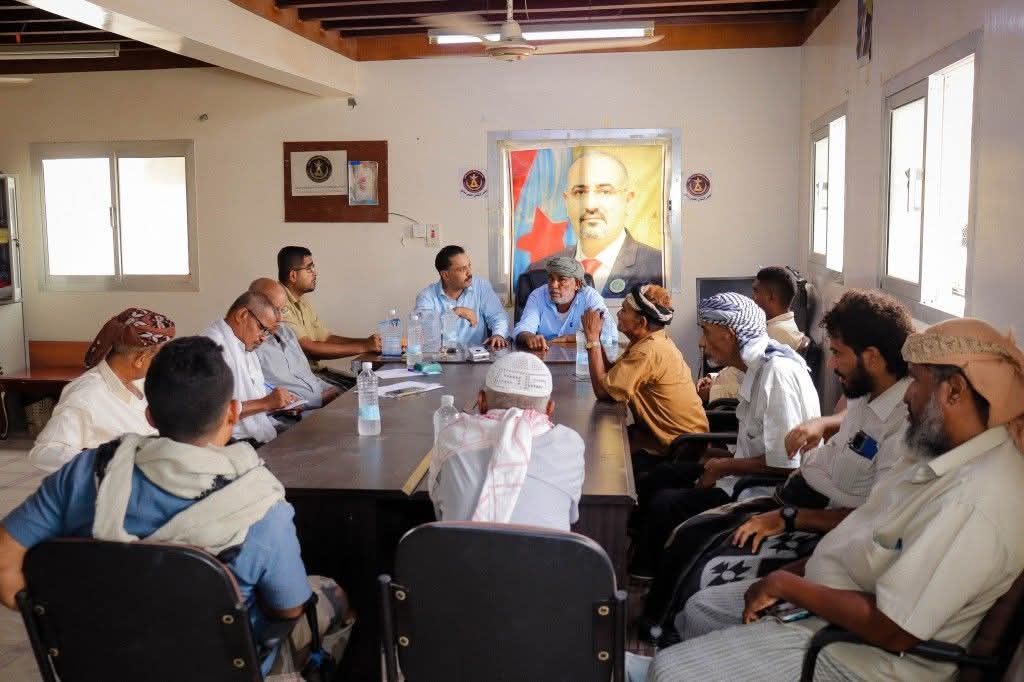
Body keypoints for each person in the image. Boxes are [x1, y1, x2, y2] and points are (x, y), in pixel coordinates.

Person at [646, 318, 1024, 682]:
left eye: (917, 382)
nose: (907, 394)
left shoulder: (973, 501)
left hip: (857, 658)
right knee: (702, 609)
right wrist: (801, 574)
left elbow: (893, 630)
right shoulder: (937, 450)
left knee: (668, 671)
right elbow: (864, 536)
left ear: (954, 391)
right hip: (832, 606)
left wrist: (785, 585)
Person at [0, 337, 354, 676]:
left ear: (150, 416)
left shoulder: (83, 474)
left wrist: (62, 620)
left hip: (102, 666)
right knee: (332, 597)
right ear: (233, 413)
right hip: (219, 670)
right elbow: (289, 607)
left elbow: (4, 564)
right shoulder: (262, 504)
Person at [637, 289, 915, 644]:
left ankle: (662, 632)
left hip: (813, 515)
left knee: (698, 541)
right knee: (687, 521)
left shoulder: (904, 426)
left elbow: (872, 519)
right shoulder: (866, 393)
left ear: (872, 357)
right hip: (796, 492)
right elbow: (854, 425)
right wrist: (824, 423)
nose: (831, 365)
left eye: (837, 353)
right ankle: (659, 619)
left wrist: (787, 517)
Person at [629, 292, 820, 578]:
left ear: (729, 334)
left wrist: (724, 465)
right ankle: (637, 557)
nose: (701, 342)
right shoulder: (757, 367)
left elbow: (787, 464)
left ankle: (650, 581)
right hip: (742, 474)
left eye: (706, 332)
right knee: (663, 473)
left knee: (666, 504)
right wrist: (720, 457)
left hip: (764, 492)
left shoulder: (777, 375)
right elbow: (757, 443)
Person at [429, 352, 585, 531]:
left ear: (481, 401)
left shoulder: (453, 436)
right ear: (549, 409)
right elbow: (571, 516)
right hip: (548, 551)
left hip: (460, 550)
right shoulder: (570, 445)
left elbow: (439, 510)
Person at [28, 308, 175, 473]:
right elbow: (44, 452)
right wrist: (106, 462)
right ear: (140, 359)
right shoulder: (86, 396)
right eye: (158, 358)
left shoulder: (141, 382)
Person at [581, 283, 707, 456]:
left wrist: (592, 338)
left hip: (681, 448)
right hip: (674, 439)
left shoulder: (647, 352)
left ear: (641, 322)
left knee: (600, 451)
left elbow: (603, 392)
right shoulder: (651, 341)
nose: (618, 314)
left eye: (624, 310)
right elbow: (611, 373)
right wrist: (596, 336)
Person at [527, 151, 662, 297]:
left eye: (604, 192)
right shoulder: (538, 272)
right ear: (566, 202)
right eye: (579, 192)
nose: (590, 206)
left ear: (628, 201)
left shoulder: (660, 267)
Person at [202, 291, 301, 446]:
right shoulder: (211, 348)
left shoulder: (244, 343)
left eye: (268, 333)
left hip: (261, 428)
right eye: (262, 328)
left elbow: (251, 391)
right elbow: (210, 412)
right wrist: (266, 403)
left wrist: (283, 401)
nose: (263, 338)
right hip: (231, 442)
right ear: (242, 315)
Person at [697, 266, 806, 403]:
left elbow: (753, 387)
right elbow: (739, 368)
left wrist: (712, 391)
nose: (752, 297)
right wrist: (713, 379)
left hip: (724, 403)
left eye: (756, 291)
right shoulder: (770, 327)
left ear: (771, 296)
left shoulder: (781, 334)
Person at [278, 246, 380, 388]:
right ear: (293, 275)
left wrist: (369, 343)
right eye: (309, 269)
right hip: (301, 379)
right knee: (361, 391)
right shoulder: (280, 302)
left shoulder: (302, 302)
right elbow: (308, 348)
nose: (315, 273)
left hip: (316, 372)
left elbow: (326, 338)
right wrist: (364, 346)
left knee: (369, 384)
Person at [251, 278, 339, 410]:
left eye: (283, 310)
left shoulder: (285, 331)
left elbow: (307, 375)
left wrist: (331, 390)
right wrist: (319, 400)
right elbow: (267, 396)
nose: (281, 318)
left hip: (323, 401)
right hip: (298, 416)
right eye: (275, 310)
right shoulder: (251, 346)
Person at [511, 256, 616, 351]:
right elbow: (523, 328)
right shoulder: (538, 295)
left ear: (577, 284)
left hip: (580, 359)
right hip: (544, 356)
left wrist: (568, 339)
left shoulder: (590, 297)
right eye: (551, 278)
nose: (553, 285)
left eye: (562, 280)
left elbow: (610, 333)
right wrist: (529, 336)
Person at [414, 245, 509, 349]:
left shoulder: (481, 286)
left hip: (477, 354)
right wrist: (454, 313)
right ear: (445, 275)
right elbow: (426, 333)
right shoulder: (426, 297)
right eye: (462, 269)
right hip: (442, 356)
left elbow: (498, 315)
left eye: (469, 266)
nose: (469, 273)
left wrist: (498, 334)